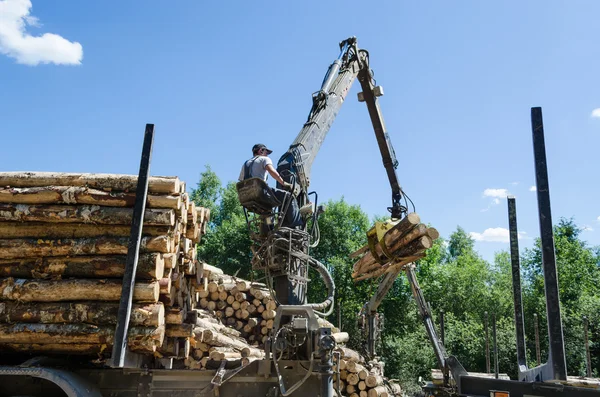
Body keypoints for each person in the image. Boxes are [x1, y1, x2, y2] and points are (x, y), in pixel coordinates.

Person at [238, 143, 302, 228]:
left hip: (248, 197)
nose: (267, 154)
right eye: (266, 152)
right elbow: (272, 172)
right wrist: (284, 183)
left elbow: (241, 181)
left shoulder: (246, 164)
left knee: (267, 212)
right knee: (289, 197)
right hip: (260, 193)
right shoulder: (264, 159)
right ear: (261, 150)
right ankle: (296, 226)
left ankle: (267, 230)